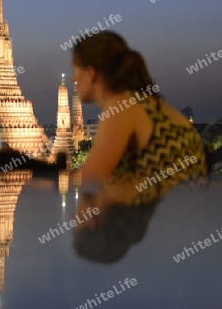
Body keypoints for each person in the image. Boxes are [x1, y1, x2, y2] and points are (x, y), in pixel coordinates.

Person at [71, 31, 207, 202]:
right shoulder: (142, 102)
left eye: (75, 70)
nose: (73, 78)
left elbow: (90, 180)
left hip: (177, 217)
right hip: (190, 211)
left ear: (91, 73)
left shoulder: (121, 106)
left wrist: (42, 178)